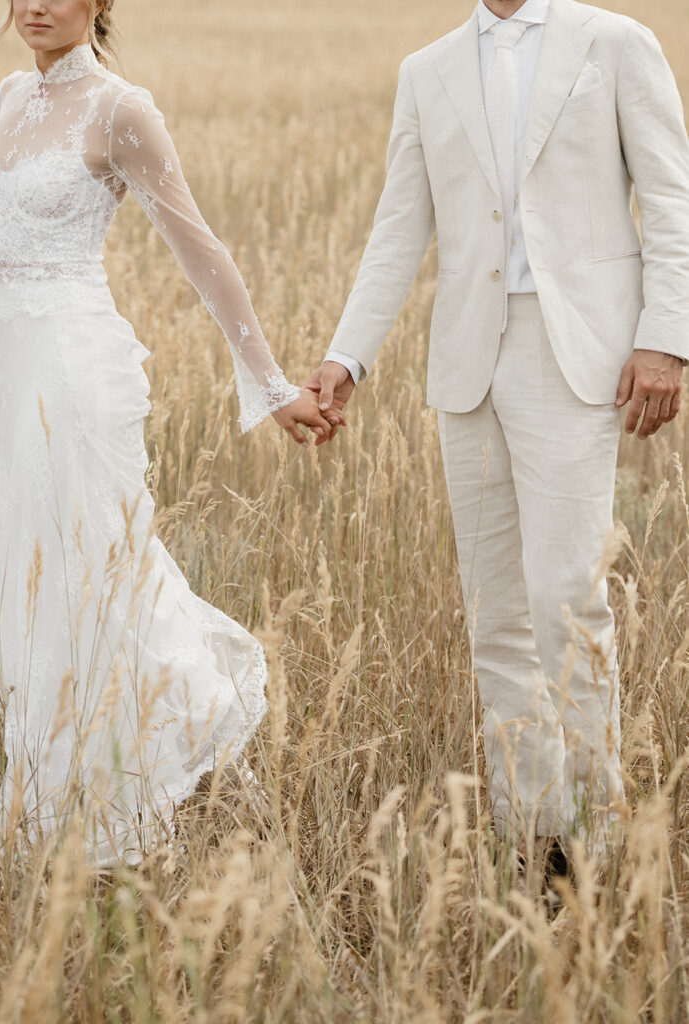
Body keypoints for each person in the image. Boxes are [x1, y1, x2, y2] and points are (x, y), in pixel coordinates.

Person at [0, 0, 343, 878]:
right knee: (26, 575)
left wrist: (270, 383)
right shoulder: (14, 93)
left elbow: (196, 245)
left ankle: (73, 821)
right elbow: (17, 228)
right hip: (3, 377)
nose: (35, 5)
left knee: (85, 574)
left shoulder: (121, 109)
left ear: (99, 3)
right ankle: (69, 797)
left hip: (72, 376)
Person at [306, 0, 689, 862]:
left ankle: (600, 836)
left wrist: (665, 339)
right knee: (495, 617)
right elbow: (397, 230)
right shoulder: (427, 68)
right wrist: (345, 356)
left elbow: (671, 196)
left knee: (566, 599)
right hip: (468, 359)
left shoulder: (617, 43)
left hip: (577, 354)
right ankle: (537, 837)